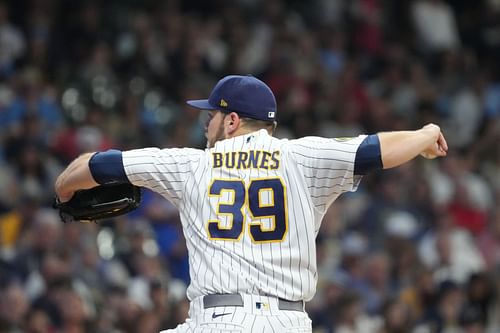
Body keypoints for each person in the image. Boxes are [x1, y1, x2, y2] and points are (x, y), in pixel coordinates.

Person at [54, 75, 448, 332]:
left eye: (210, 115)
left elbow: (100, 164)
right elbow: (378, 149)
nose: (205, 124)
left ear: (231, 121)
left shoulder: (192, 163)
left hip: (218, 320)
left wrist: (64, 189)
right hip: (288, 322)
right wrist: (427, 133)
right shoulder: (302, 156)